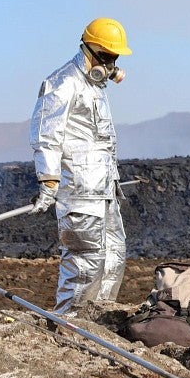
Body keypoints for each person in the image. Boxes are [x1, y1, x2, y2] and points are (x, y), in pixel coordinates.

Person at [29, 18, 133, 314]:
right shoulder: (62, 83)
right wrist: (49, 181)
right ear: (91, 50)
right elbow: (46, 136)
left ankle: (99, 320)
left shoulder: (96, 86)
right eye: (108, 57)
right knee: (84, 264)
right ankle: (69, 327)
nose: (112, 64)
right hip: (78, 193)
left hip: (104, 190)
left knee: (113, 256)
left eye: (115, 58)